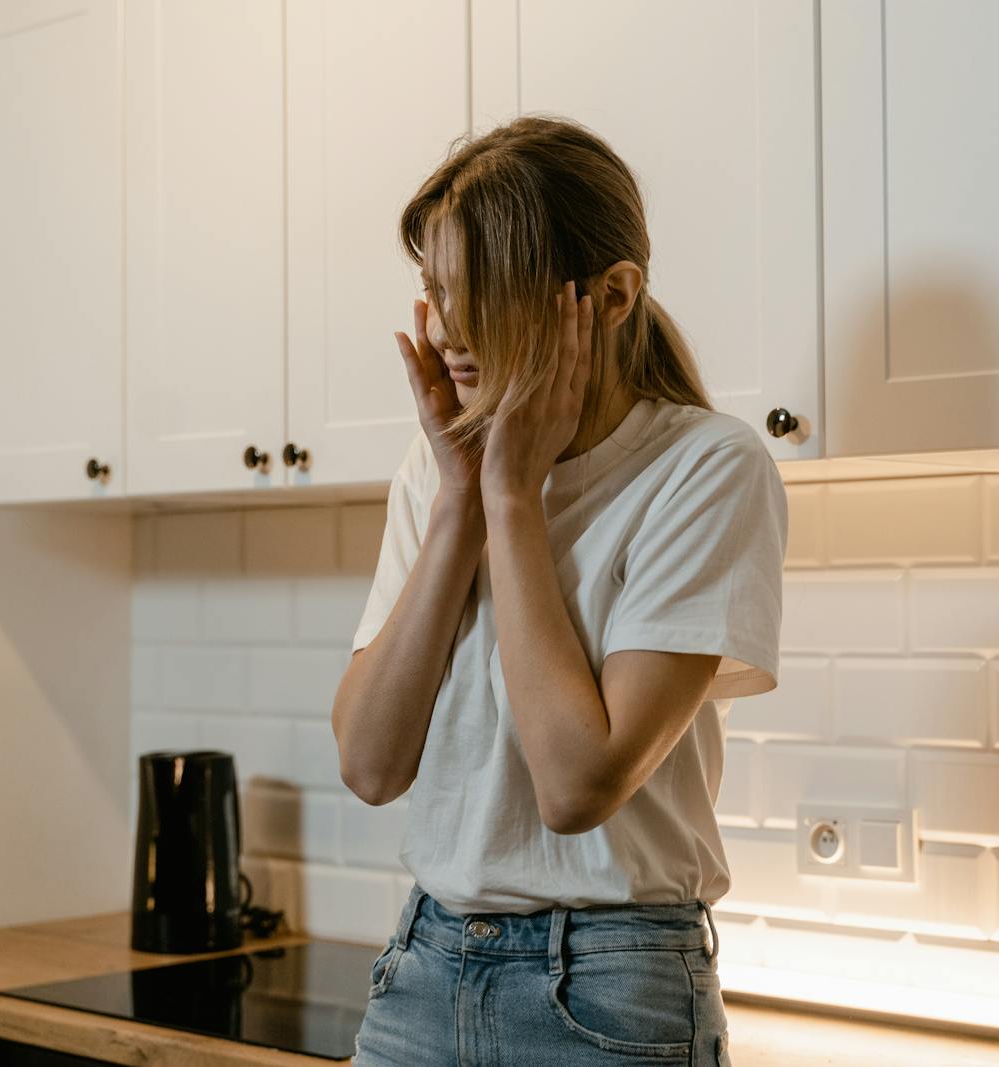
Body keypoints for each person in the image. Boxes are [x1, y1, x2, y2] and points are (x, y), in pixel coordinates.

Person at [332, 114, 786, 1066]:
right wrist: (462, 494)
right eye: (436, 291)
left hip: (612, 988)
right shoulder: (436, 472)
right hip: (423, 964)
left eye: (483, 294)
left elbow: (578, 783)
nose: (449, 330)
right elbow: (371, 764)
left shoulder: (706, 469)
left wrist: (511, 495)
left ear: (612, 295)